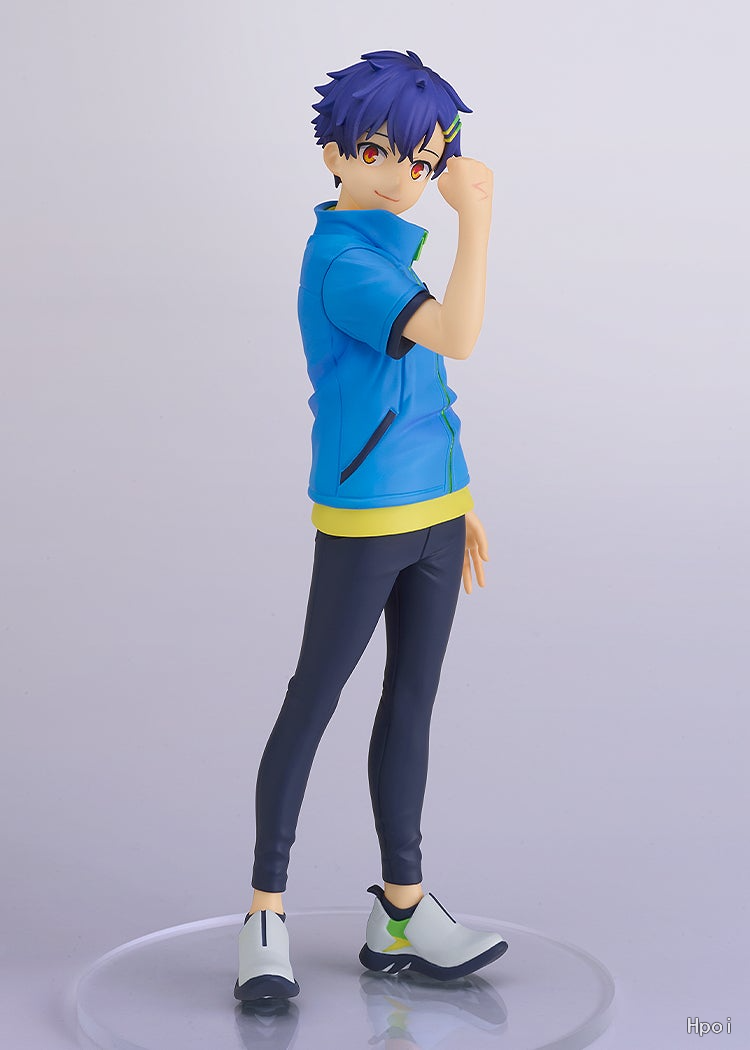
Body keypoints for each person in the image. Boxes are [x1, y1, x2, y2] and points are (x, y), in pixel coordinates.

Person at [235, 49, 508, 1003]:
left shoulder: (394, 257)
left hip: (435, 514)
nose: (402, 176)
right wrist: (477, 217)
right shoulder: (345, 263)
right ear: (335, 154)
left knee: (411, 704)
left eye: (423, 162)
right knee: (314, 699)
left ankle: (402, 907)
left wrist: (460, 497)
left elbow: (428, 387)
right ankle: (264, 912)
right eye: (381, 151)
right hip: (366, 518)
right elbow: (457, 337)